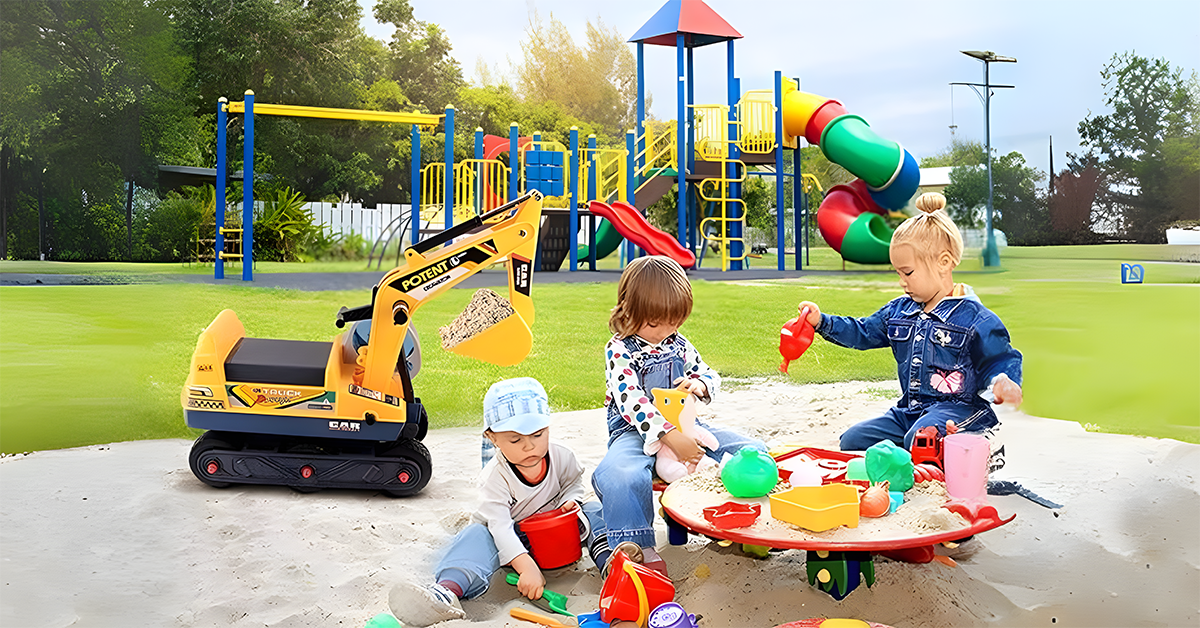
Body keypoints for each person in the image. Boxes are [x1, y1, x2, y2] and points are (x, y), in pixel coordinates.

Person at [796, 193, 1022, 470]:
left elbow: (1000, 358)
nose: (902, 282)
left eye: (908, 272)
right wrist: (822, 322)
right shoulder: (899, 311)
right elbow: (864, 331)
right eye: (898, 273)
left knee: (920, 438)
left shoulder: (973, 317)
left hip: (961, 411)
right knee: (853, 440)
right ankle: (923, 451)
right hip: (910, 411)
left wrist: (1004, 380)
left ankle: (979, 446)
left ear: (944, 262)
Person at [389, 377, 613, 627]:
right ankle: (446, 592)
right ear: (493, 438)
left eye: (538, 434)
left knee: (594, 510)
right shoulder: (494, 477)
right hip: (509, 539)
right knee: (475, 535)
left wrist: (572, 500)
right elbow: (500, 527)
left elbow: (573, 483)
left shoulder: (562, 457)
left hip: (555, 537)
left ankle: (611, 565)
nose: (529, 446)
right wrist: (525, 566)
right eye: (515, 440)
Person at [593, 255, 767, 576]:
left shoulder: (679, 343)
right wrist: (669, 436)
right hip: (635, 433)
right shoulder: (619, 348)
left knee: (750, 451)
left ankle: (738, 523)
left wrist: (698, 384)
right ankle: (636, 548)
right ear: (629, 311)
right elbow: (631, 400)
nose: (665, 331)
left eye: (674, 322)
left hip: (687, 425)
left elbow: (710, 375)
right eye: (655, 323)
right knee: (621, 475)